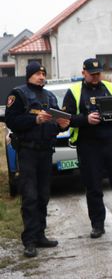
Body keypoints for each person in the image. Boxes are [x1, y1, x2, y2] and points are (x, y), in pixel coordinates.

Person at [62, 58, 112, 238]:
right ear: (84, 72)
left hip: (111, 143)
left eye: (98, 73)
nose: (95, 77)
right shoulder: (74, 91)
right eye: (92, 74)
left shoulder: (109, 87)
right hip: (88, 145)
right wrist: (85, 119)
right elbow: (65, 118)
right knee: (93, 187)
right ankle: (97, 225)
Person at [4, 62, 70, 258]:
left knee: (43, 195)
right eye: (37, 73)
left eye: (43, 73)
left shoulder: (49, 96)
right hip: (28, 152)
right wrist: (35, 120)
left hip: (46, 152)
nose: (41, 76)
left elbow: (56, 123)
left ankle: (40, 235)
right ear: (29, 75)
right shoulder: (18, 94)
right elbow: (12, 121)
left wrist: (63, 125)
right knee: (30, 196)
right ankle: (29, 241)